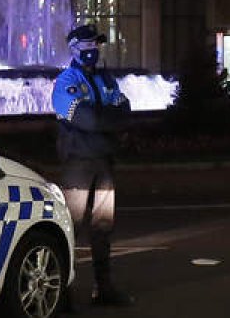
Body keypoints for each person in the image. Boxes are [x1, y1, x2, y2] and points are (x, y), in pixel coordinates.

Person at [51, 24, 135, 307]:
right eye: (88, 45)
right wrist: (107, 120)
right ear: (74, 48)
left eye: (96, 45)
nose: (94, 50)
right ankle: (61, 293)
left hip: (103, 163)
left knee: (103, 226)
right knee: (68, 228)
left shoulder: (105, 79)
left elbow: (125, 110)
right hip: (78, 164)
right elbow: (88, 120)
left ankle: (104, 288)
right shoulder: (65, 82)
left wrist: (103, 119)